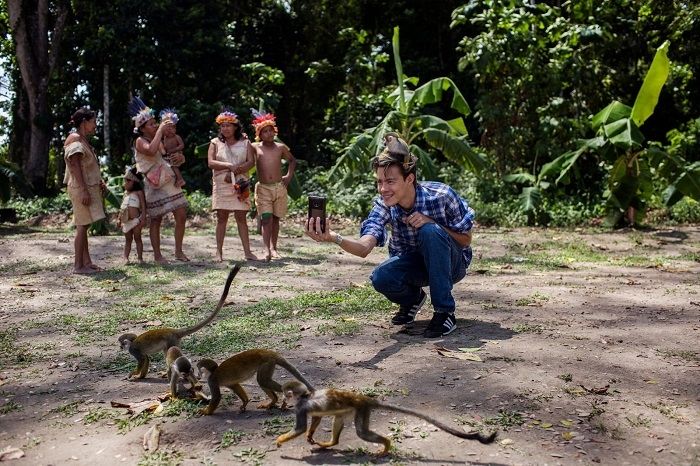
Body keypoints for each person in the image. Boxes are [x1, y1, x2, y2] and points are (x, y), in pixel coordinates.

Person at [305, 133, 475, 338]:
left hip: (452, 265)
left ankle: (444, 312)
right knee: (381, 277)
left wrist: (433, 223)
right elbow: (364, 248)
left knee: (430, 231)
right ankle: (412, 300)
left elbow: (466, 240)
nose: (383, 189)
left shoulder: (441, 196)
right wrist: (334, 237)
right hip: (416, 267)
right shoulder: (384, 205)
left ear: (409, 178)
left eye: (390, 181)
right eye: (379, 182)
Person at [129, 96, 189, 264]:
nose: (155, 125)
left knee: (181, 213)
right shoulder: (139, 141)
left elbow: (166, 157)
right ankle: (157, 255)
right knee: (156, 219)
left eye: (156, 123)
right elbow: (151, 150)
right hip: (153, 183)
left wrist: (179, 158)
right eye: (151, 124)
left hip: (167, 179)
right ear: (142, 129)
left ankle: (178, 251)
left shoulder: (158, 139)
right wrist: (161, 131)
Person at [207, 111, 258, 262]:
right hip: (222, 183)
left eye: (228, 126)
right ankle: (218, 252)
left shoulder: (245, 142)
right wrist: (229, 166)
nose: (225, 129)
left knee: (241, 217)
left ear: (236, 127)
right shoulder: (215, 142)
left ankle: (248, 252)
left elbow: (251, 162)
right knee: (221, 217)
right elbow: (211, 163)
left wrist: (238, 170)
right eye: (223, 126)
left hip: (240, 183)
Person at [63, 107, 107, 274]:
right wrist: (83, 190)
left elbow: (86, 166)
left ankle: (86, 262)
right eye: (93, 121)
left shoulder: (83, 140)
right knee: (82, 225)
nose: (95, 125)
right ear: (84, 122)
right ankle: (78, 266)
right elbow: (74, 165)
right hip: (79, 188)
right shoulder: (74, 138)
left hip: (87, 186)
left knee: (85, 224)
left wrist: (99, 182)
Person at [251, 110, 296, 261]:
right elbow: (243, 154)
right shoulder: (255, 147)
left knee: (276, 218)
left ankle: (274, 248)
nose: (269, 134)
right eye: (265, 131)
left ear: (275, 131)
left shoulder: (280, 147)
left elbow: (292, 160)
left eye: (271, 130)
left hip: (279, 187)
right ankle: (265, 249)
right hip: (263, 188)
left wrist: (289, 176)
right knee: (266, 218)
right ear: (259, 134)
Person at [117, 166, 146, 264]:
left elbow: (143, 205)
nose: (124, 184)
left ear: (133, 182)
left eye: (126, 181)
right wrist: (119, 219)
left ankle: (140, 258)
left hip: (136, 220)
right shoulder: (126, 193)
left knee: (138, 238)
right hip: (126, 221)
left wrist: (143, 217)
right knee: (128, 240)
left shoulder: (139, 192)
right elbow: (122, 207)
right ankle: (125, 257)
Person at [159, 108, 186, 188]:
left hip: (175, 154)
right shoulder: (163, 138)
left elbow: (182, 145)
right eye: (167, 129)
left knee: (173, 166)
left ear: (175, 129)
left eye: (172, 128)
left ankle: (180, 179)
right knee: (171, 165)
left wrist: (175, 150)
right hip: (168, 155)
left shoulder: (176, 137)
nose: (170, 131)